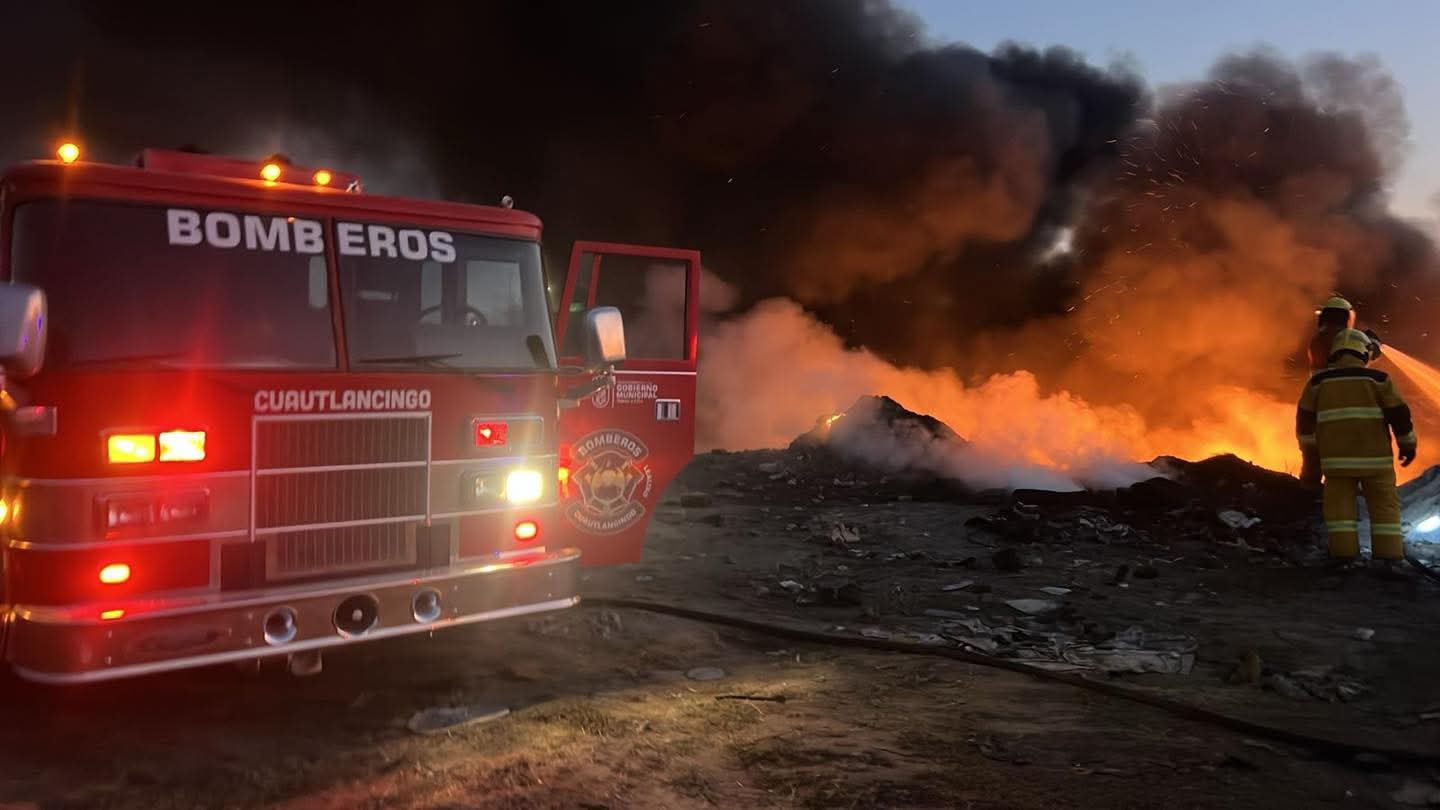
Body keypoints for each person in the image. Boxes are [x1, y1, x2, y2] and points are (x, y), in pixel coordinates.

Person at [1296, 327, 1417, 563]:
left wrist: (1312, 457)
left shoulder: (1317, 383)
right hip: (1377, 462)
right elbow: (1399, 415)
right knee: (1385, 511)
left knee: (1339, 513)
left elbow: (1304, 423)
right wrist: (1407, 445)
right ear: (1364, 352)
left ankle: (1344, 559)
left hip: (1335, 463)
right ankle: (1389, 559)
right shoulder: (1379, 380)